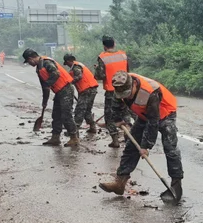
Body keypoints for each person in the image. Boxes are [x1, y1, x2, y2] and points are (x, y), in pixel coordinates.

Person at [99, 71, 184, 202]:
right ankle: (120, 183)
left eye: (128, 94)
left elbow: (153, 122)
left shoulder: (149, 93)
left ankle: (176, 185)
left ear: (133, 85)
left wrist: (146, 146)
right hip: (144, 114)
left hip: (165, 113)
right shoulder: (120, 84)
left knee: (170, 148)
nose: (125, 97)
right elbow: (116, 103)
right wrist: (118, 119)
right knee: (131, 146)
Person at [23, 49, 77, 147]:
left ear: (31, 58)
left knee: (66, 114)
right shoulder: (38, 69)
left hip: (66, 89)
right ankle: (55, 138)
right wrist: (44, 102)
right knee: (56, 114)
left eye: (28, 61)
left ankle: (74, 137)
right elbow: (45, 87)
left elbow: (56, 74)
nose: (29, 64)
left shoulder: (46, 63)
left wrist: (48, 84)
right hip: (59, 91)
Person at [96, 37, 131, 148]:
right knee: (125, 113)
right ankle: (128, 135)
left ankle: (115, 140)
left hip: (112, 90)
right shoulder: (123, 55)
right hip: (125, 89)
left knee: (110, 116)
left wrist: (97, 69)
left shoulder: (102, 57)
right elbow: (128, 71)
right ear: (114, 44)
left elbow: (100, 76)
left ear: (104, 46)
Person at [64, 53, 99, 139]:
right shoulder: (78, 65)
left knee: (79, 110)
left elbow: (79, 76)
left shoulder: (76, 67)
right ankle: (92, 127)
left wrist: (70, 82)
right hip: (91, 89)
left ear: (69, 61)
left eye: (67, 63)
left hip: (87, 90)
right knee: (87, 110)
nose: (67, 65)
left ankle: (75, 130)